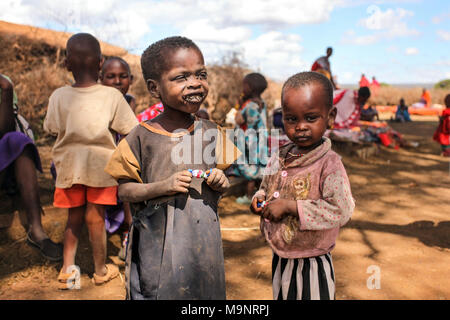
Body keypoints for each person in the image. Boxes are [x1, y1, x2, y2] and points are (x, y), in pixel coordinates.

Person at [104, 36, 240, 300]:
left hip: (203, 244)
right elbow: (124, 191)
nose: (195, 83)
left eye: (201, 74)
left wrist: (222, 181)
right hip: (158, 247)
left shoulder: (212, 133)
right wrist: (161, 187)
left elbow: (228, 180)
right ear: (155, 88)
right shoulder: (140, 137)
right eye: (181, 77)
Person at [44, 33, 138, 289]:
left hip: (69, 169)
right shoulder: (112, 97)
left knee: (73, 218)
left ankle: (67, 271)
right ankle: (99, 270)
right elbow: (130, 129)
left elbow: (51, 128)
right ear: (100, 63)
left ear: (66, 64)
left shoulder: (58, 96)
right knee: (96, 217)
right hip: (101, 168)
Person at [250, 71, 355, 300]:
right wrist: (259, 199)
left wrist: (291, 206)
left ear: (330, 116)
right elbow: (266, 187)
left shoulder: (329, 164)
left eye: (310, 118)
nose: (300, 127)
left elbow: (341, 209)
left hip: (312, 260)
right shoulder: (279, 156)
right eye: (291, 119)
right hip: (282, 255)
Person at [0, 74, 63, 261]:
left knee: (18, 140)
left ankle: (37, 232)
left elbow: (6, 131)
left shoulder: (4, 83)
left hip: (7, 171)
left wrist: (6, 89)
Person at [100, 56, 136, 261]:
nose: (117, 81)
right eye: (110, 76)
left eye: (123, 76)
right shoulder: (94, 102)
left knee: (130, 179)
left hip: (122, 163)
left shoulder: (129, 102)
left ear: (130, 79)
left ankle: (129, 235)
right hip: (98, 162)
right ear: (100, 78)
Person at [233, 73, 269, 205]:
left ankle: (249, 197)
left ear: (252, 88)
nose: (243, 88)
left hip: (252, 143)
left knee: (251, 173)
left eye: (245, 85)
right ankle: (261, 195)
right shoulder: (261, 103)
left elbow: (249, 125)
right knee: (259, 170)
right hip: (260, 142)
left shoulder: (250, 106)